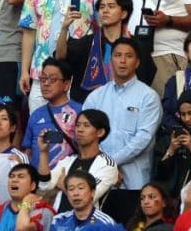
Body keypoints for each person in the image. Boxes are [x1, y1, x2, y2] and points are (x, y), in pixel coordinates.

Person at [19, 0, 103, 112]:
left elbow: (104, 30)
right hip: (43, 70)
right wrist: (25, 70)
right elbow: (28, 32)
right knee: (41, 123)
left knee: (78, 126)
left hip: (79, 70)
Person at [83, 38, 160, 211]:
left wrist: (110, 163)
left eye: (128, 56)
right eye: (118, 55)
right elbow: (83, 134)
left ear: (137, 62)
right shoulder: (96, 96)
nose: (122, 61)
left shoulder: (149, 97)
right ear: (111, 61)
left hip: (134, 181)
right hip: (98, 179)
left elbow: (143, 138)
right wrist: (106, 167)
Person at [37, 108, 118, 209]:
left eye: (86, 125)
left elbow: (89, 197)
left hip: (88, 222)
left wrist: (63, 184)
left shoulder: (107, 165)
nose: (79, 130)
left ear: (100, 132)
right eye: (78, 125)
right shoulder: (68, 161)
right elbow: (44, 185)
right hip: (60, 220)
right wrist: (43, 152)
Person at [21, 58, 80, 171]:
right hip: (39, 181)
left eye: (52, 79)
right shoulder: (36, 115)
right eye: (43, 79)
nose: (46, 84)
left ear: (66, 84)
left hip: (68, 182)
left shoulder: (79, 111)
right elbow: (28, 151)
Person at [0, 163, 53, 231]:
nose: (14, 180)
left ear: (33, 186)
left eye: (21, 177)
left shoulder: (43, 212)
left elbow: (23, 228)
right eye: (12, 176)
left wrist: (26, 203)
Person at [49, 170, 116, 231]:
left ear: (92, 192)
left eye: (80, 188)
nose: (75, 193)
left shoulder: (105, 224)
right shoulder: (58, 220)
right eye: (71, 189)